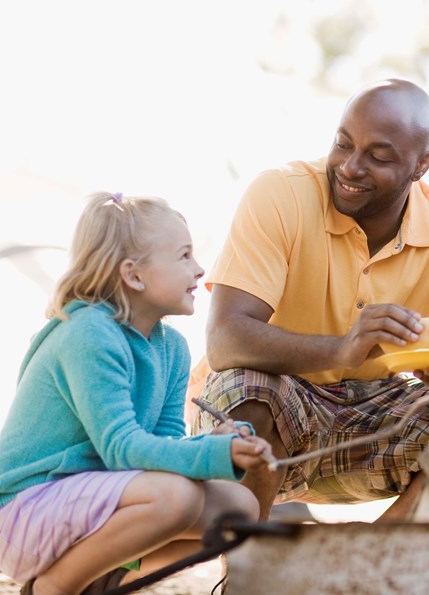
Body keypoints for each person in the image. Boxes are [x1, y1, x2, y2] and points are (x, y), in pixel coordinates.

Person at [188, 78, 429, 520]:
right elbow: (226, 340)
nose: (349, 167)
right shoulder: (280, 192)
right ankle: (247, 572)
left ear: (422, 165)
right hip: (267, 410)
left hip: (377, 416)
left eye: (378, 157)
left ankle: (366, 563)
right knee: (249, 386)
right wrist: (344, 349)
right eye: (343, 145)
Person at [0, 193, 269, 595]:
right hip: (25, 511)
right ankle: (53, 588)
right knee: (175, 498)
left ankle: (105, 584)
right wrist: (214, 455)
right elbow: (121, 448)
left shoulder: (171, 347)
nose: (199, 270)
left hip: (90, 502)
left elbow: (159, 446)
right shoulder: (89, 333)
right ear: (134, 275)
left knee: (239, 508)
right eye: (183, 256)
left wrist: (214, 444)